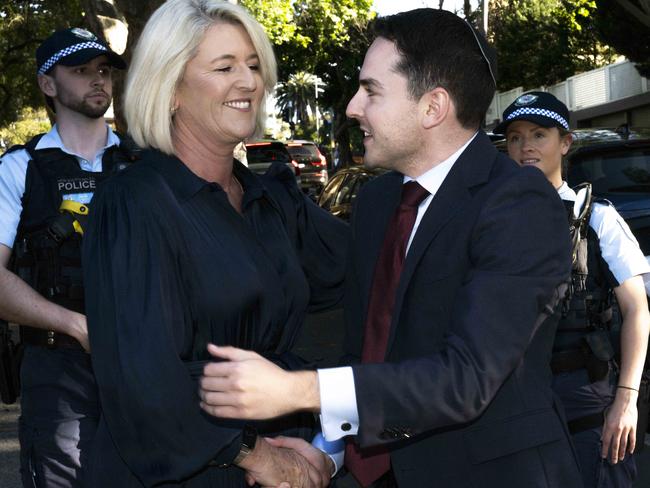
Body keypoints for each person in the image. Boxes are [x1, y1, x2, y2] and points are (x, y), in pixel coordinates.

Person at [198, 9, 584, 488]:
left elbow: (464, 379)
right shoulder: (379, 200)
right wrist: (329, 454)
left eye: (371, 90)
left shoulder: (520, 204)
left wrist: (298, 390)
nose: (353, 107)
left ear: (432, 107)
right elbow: (368, 351)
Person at [81, 1, 346, 487]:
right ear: (170, 88)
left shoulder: (271, 198)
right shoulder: (134, 204)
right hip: (182, 473)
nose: (249, 82)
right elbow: (142, 379)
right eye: (224, 67)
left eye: (252, 65)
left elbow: (365, 272)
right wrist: (259, 456)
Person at [494, 91, 650, 488]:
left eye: (538, 134)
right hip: (515, 400)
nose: (525, 146)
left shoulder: (598, 219)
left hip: (585, 395)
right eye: (514, 137)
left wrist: (626, 400)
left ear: (565, 143)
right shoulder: (492, 223)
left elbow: (637, 310)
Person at [0, 27, 130, 487]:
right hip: (57, 372)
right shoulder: (20, 168)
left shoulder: (144, 166)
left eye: (103, 70)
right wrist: (76, 325)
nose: (98, 80)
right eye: (80, 71)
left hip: (142, 360)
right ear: (48, 85)